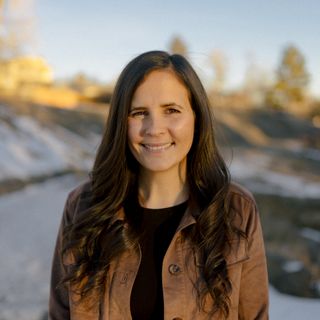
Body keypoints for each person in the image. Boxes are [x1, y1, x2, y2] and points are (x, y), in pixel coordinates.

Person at [49, 50, 269, 320]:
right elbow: (60, 314)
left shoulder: (237, 209)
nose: (154, 128)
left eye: (171, 110)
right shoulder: (82, 206)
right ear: (121, 122)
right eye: (139, 113)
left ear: (197, 118)